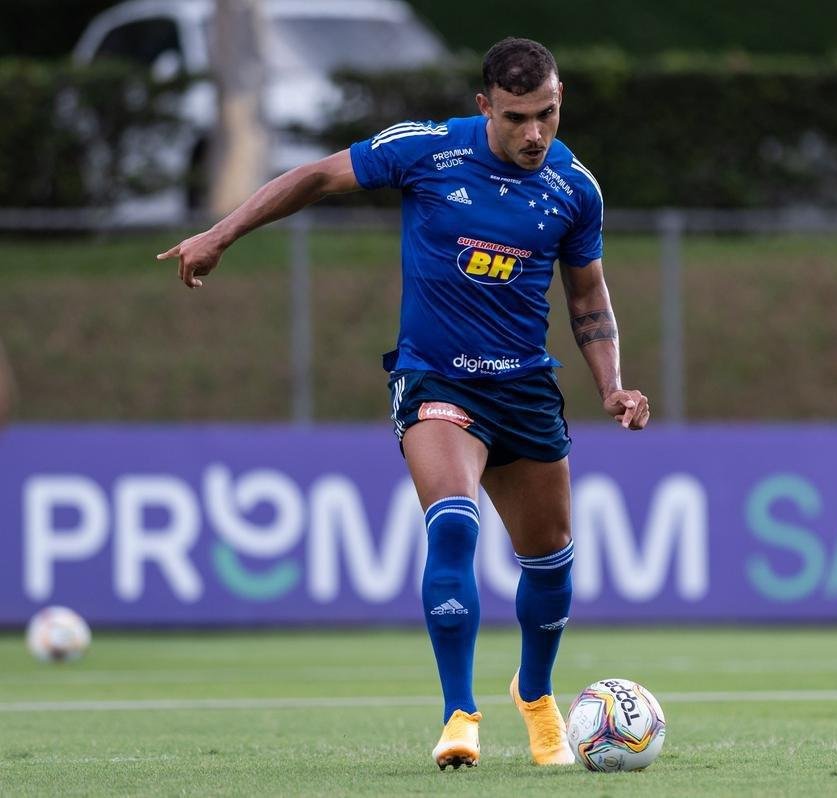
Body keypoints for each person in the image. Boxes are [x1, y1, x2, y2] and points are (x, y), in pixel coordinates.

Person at [157, 37, 649, 770]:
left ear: (560, 100)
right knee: (451, 526)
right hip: (435, 380)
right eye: (516, 117)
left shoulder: (574, 188)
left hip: (523, 387)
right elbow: (316, 177)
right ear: (484, 107)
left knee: (549, 564)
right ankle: (459, 714)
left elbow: (587, 297)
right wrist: (221, 234)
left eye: (545, 114)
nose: (533, 133)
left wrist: (611, 384)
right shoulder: (426, 150)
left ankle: (536, 693)